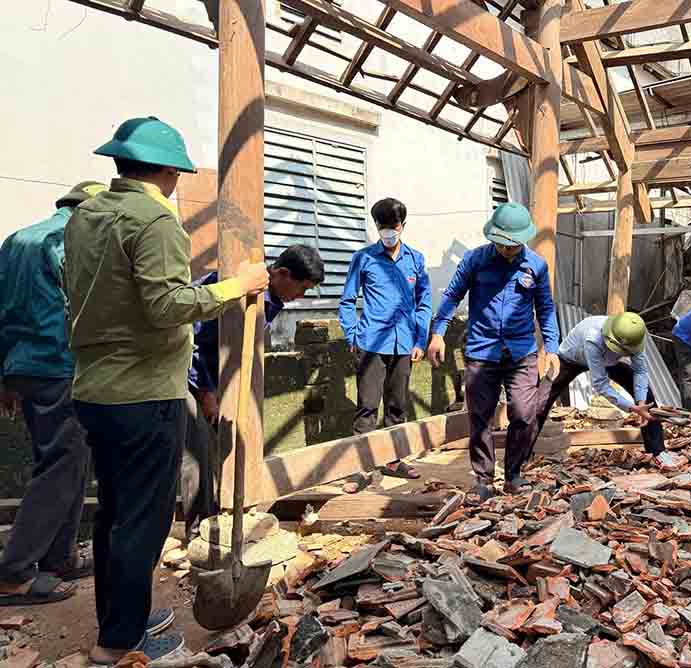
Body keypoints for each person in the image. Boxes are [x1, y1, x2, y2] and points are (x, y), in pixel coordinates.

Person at [63, 117, 269, 664]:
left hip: (95, 390)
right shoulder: (155, 220)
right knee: (142, 522)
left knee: (114, 514)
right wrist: (238, 286)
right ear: (169, 172)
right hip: (145, 394)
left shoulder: (85, 216)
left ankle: (120, 618)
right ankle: (119, 642)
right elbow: (167, 305)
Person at [0, 182, 105, 607]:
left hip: (23, 366)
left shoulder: (16, 240)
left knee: (70, 460)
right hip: (58, 364)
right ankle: (15, 572)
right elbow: (80, 307)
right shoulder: (70, 241)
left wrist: (4, 377)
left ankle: (59, 558)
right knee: (62, 464)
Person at [183, 244, 325, 538]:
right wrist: (206, 392)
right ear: (282, 273)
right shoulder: (231, 285)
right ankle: (200, 532)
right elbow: (193, 340)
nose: (302, 296)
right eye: (302, 288)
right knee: (196, 453)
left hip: (220, 380)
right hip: (186, 377)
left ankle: (226, 513)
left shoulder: (270, 299)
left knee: (231, 444)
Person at [427, 203, 559, 500]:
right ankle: (484, 479)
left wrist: (551, 347)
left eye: (512, 246)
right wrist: (438, 333)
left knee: (524, 413)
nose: (506, 250)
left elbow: (546, 308)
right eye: (501, 244)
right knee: (480, 417)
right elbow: (452, 295)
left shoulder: (536, 265)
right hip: (481, 351)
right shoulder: (475, 260)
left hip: (521, 352)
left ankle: (513, 475)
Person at [339, 198, 432, 480]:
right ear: (376, 226)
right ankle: (361, 468)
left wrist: (420, 340)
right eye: (382, 226)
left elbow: (424, 302)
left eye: (394, 226)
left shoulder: (416, 260)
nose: (388, 231)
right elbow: (347, 300)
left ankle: (393, 461)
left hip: (404, 344)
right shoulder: (363, 258)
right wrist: (352, 334)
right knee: (367, 406)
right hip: (371, 343)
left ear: (402, 225)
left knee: (397, 406)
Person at [533, 312, 673, 466]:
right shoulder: (593, 337)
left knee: (647, 399)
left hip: (608, 362)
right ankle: (524, 451)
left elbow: (640, 371)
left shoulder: (635, 339)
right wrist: (631, 408)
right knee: (541, 399)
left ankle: (657, 451)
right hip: (571, 360)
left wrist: (641, 403)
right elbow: (600, 384)